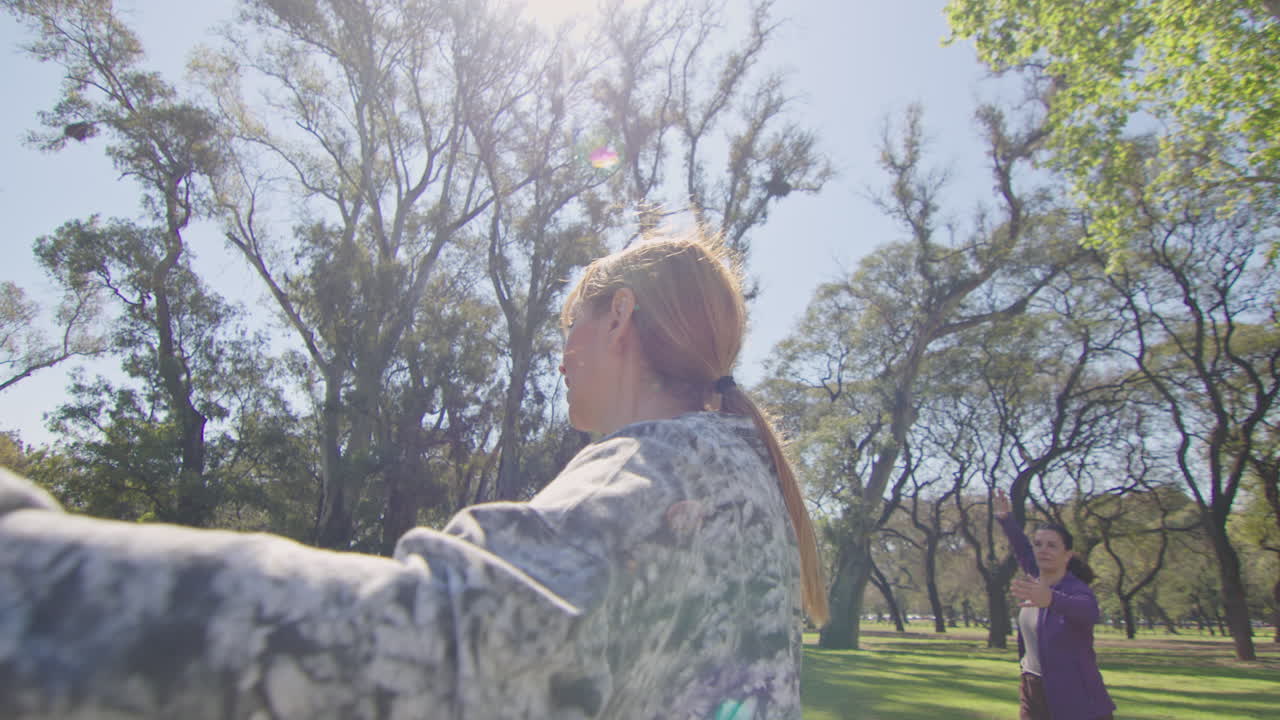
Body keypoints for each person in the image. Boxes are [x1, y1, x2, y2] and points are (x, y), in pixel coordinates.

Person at [0, 234, 827, 720]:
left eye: (570, 324)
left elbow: (438, 642)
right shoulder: (736, 471)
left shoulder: (667, 467)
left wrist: (27, 571)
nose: (561, 353)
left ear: (620, 319)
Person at [995, 489, 1115, 720]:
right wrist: (1005, 518)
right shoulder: (1035, 577)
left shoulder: (1076, 589)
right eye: (1038, 544)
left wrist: (1051, 599)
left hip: (1076, 696)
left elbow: (1088, 611)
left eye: (1052, 545)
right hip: (1032, 687)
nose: (1043, 550)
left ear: (1067, 554)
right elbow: (1022, 548)